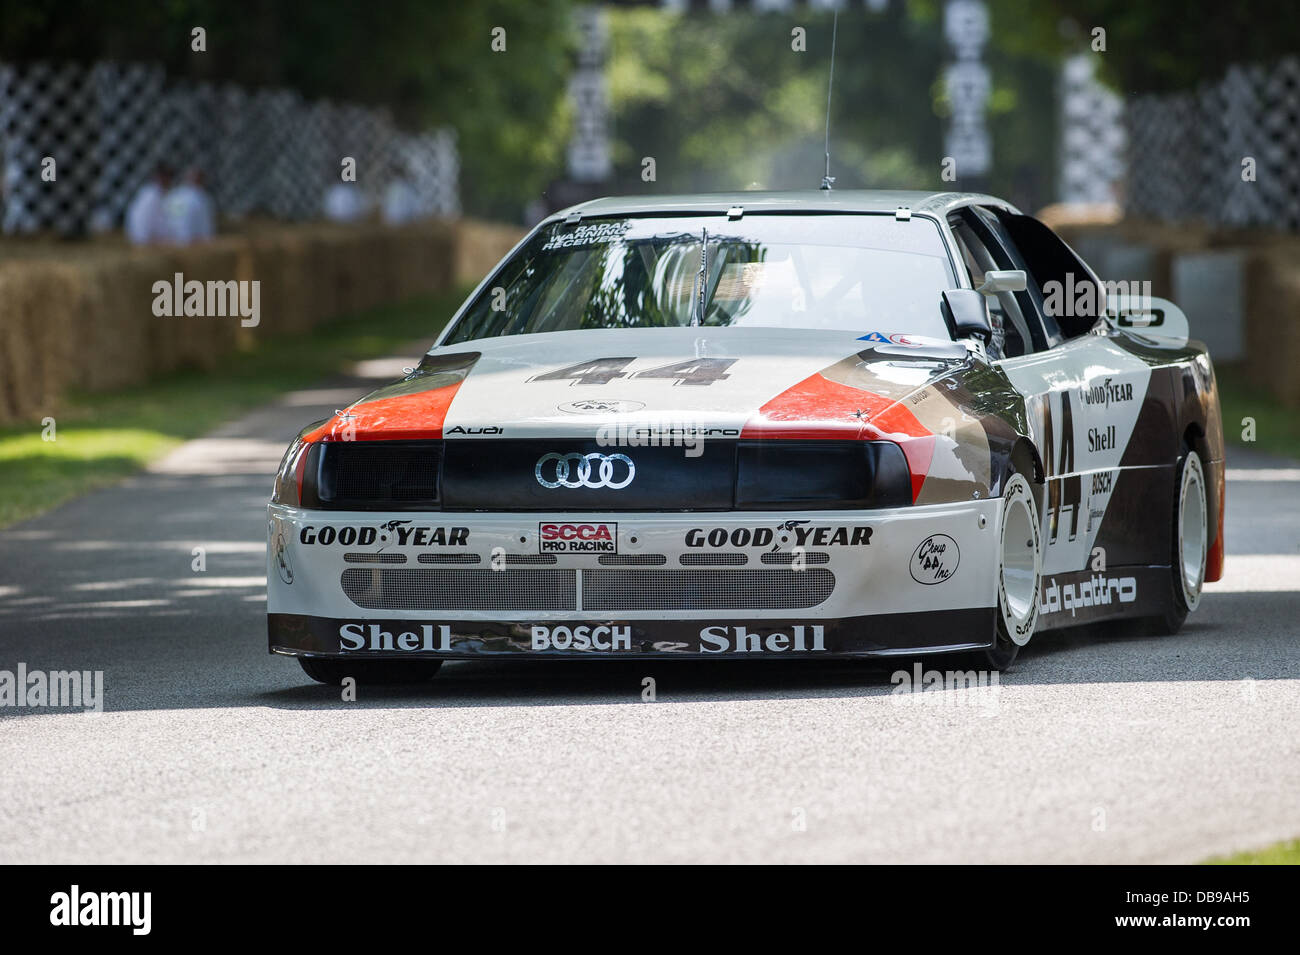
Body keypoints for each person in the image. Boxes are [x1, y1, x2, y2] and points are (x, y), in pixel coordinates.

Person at [163, 167, 216, 244]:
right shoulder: (179, 196)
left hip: (197, 241)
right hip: (189, 242)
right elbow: (175, 220)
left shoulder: (204, 197)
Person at [124, 164, 171, 244]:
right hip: (146, 240)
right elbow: (155, 223)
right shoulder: (154, 195)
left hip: (137, 237)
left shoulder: (146, 191)